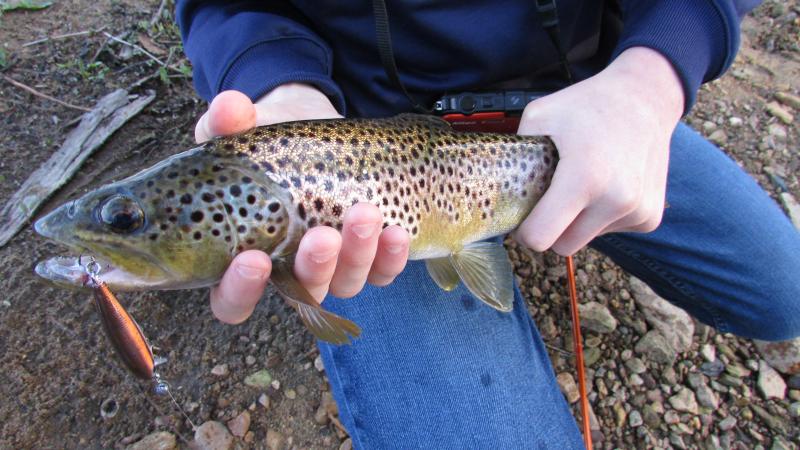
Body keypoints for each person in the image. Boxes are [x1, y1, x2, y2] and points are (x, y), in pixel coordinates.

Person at [176, 1, 800, 447]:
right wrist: (273, 83)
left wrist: (651, 78)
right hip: (360, 143)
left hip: (576, 109)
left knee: (784, 293)